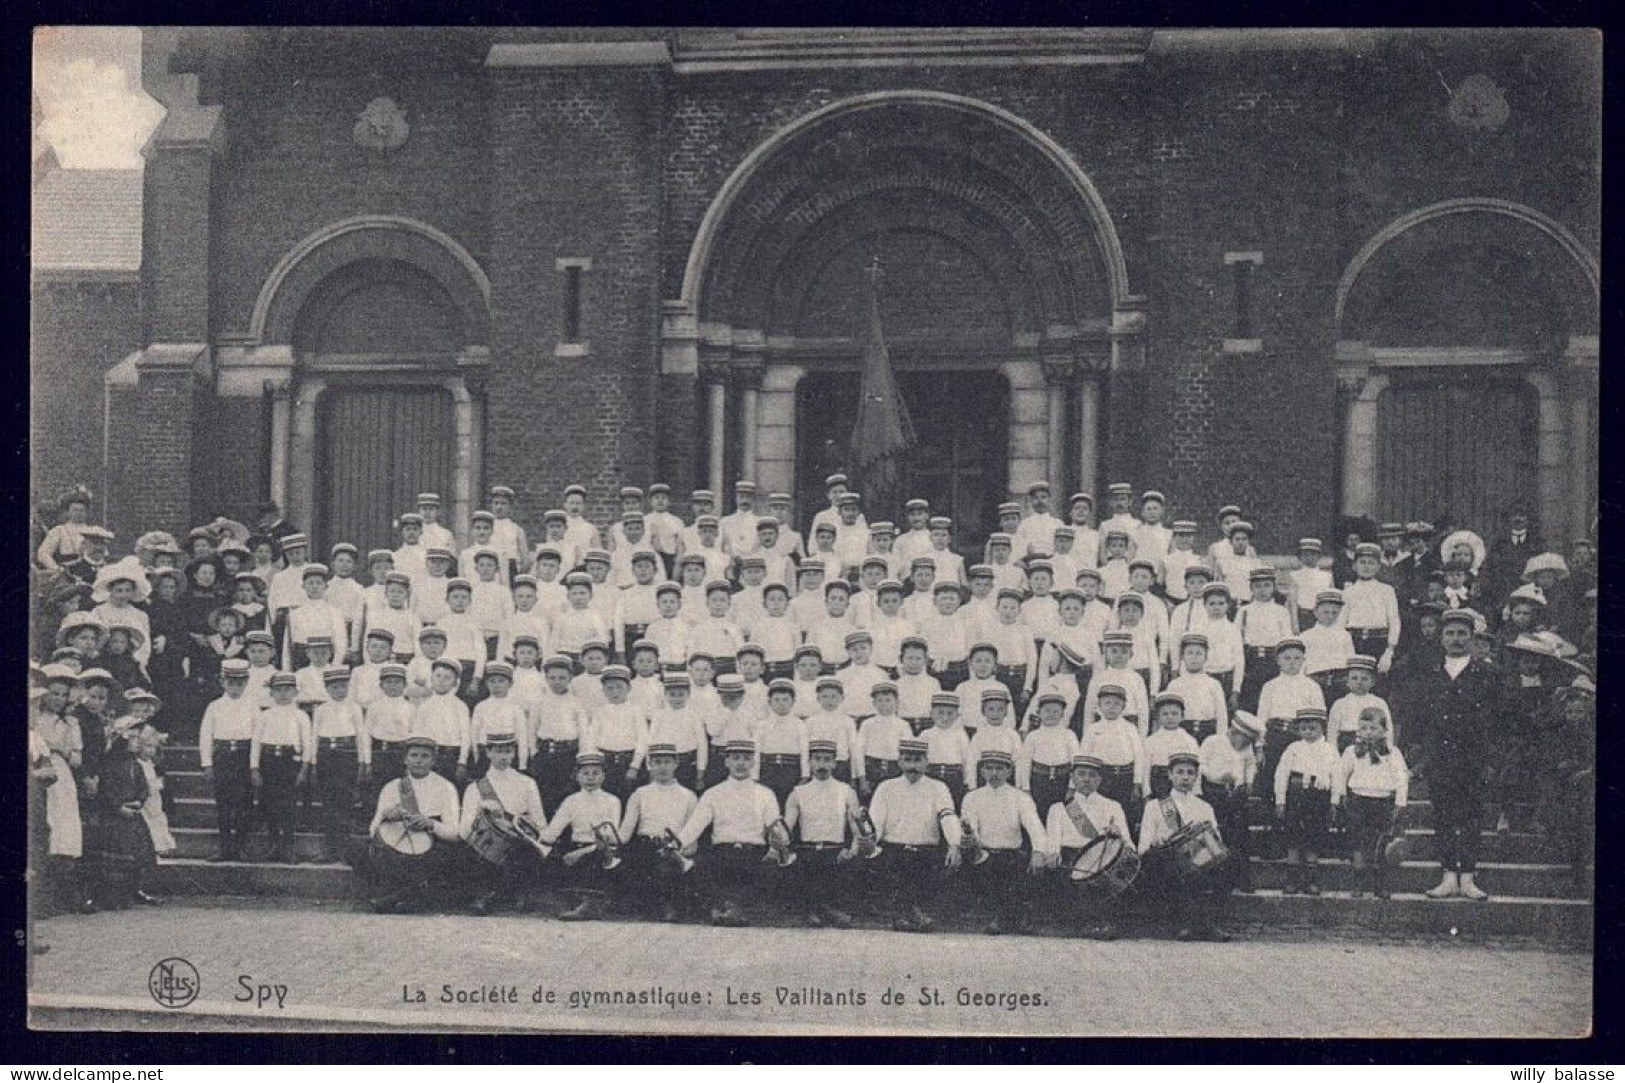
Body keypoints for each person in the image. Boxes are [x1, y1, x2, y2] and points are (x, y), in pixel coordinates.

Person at [1416, 609, 1502, 900]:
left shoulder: (1488, 674)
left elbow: (1498, 720)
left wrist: (1491, 759)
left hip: (1473, 759)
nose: (1456, 639)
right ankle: (1448, 875)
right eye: (1450, 633)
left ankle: (1468, 877)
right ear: (1441, 638)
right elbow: (1420, 718)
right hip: (1439, 758)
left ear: (1472, 637)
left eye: (1462, 633)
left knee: (1471, 817)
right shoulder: (1429, 672)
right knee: (1443, 816)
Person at [673, 738, 783, 926]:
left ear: (753, 762)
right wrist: (676, 844)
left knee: (769, 871)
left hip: (753, 853)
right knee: (695, 868)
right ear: (727, 762)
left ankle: (729, 910)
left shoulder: (765, 794)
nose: (741, 763)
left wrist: (777, 845)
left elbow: (775, 827)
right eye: (736, 758)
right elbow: (695, 825)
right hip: (722, 853)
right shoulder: (713, 793)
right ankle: (727, 909)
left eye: (746, 758)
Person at [362, 735, 467, 913]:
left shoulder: (445, 787)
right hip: (398, 845)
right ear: (405, 759)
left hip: (431, 845)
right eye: (414, 755)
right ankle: (411, 898)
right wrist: (387, 816)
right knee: (358, 850)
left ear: (433, 761)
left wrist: (431, 824)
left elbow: (455, 832)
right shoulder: (392, 786)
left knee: (448, 856)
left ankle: (396, 898)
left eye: (425, 756)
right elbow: (373, 830)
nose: (419, 761)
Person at [1136, 750, 1232, 941]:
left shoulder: (1204, 807)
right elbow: (1142, 847)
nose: (1185, 777)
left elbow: (1216, 842)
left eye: (1190, 773)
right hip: (1165, 861)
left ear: (1196, 777)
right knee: (1177, 867)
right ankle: (1193, 924)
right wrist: (1157, 841)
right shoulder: (1155, 806)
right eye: (1179, 772)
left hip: (1200, 860)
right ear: (1170, 775)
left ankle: (1202, 922)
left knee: (1229, 863)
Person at [868, 737, 962, 932]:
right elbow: (875, 821)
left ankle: (905, 915)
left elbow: (947, 815)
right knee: (893, 866)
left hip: (926, 852)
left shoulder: (938, 787)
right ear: (900, 762)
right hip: (894, 850)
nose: (913, 766)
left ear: (927, 763)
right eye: (908, 760)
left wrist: (954, 844)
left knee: (926, 871)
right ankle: (914, 915)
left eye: (918, 760)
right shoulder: (886, 787)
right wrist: (869, 841)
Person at [960, 749, 1051, 935]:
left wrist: (1038, 852)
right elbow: (972, 831)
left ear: (1009, 772)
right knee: (987, 868)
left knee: (1012, 869)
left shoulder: (1020, 798)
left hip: (1011, 855)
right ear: (982, 771)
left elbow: (1036, 829)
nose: (994, 774)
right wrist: (971, 841)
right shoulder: (972, 798)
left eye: (1000, 769)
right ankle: (1012, 916)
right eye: (989, 768)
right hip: (983, 855)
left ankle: (1003, 918)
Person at [1045, 754, 1133, 939]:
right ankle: (1090, 924)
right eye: (1081, 774)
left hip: (1103, 860)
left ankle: (1101, 924)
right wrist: (1052, 854)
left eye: (1092, 775)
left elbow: (1130, 845)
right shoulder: (1058, 808)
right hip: (1070, 860)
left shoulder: (1112, 806)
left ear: (1100, 780)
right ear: (1073, 778)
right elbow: (1052, 842)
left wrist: (1118, 834)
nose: (1086, 779)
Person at [616, 742, 701, 921]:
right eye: (658, 762)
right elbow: (624, 834)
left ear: (676, 763)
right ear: (649, 765)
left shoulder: (689, 796)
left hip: (674, 847)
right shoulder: (639, 794)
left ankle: (667, 907)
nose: (663, 767)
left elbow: (692, 841)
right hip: (645, 846)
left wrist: (680, 851)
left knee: (668, 869)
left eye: (667, 762)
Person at [784, 739, 864, 927]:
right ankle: (821, 911)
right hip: (808, 851)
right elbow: (787, 827)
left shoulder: (846, 791)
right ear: (809, 762)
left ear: (835, 763)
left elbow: (856, 828)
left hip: (835, 852)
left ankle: (821, 910)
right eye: (817, 759)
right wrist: (781, 848)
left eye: (827, 760)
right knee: (801, 867)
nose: (822, 765)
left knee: (847, 866)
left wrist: (852, 851)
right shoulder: (798, 792)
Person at [536, 751, 623, 921]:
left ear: (604, 776)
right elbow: (552, 833)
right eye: (585, 773)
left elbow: (609, 836)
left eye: (596, 773)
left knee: (595, 861)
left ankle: (589, 905)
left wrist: (580, 853)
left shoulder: (612, 801)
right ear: (577, 776)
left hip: (599, 849)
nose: (590, 778)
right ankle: (582, 903)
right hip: (575, 847)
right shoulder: (571, 801)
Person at [1333, 706, 1409, 898]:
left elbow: (1401, 778)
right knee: (1358, 841)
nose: (1368, 733)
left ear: (1384, 731)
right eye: (1364, 728)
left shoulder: (1393, 753)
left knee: (1381, 842)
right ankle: (1358, 882)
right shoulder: (1352, 751)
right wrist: (1338, 796)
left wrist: (1400, 802)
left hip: (1383, 802)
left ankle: (1380, 884)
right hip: (1358, 800)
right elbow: (1341, 775)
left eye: (1373, 728)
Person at [198, 658, 258, 861]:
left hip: (244, 755)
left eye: (240, 683)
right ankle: (224, 848)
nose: (235, 687)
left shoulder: (252, 706)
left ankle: (241, 847)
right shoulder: (214, 706)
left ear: (246, 682)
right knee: (224, 804)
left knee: (244, 803)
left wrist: (254, 765)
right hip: (222, 757)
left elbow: (257, 737)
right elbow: (206, 736)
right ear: (223, 682)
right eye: (231, 683)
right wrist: (207, 763)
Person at [1274, 707, 1337, 894]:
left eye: (1313, 728)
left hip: (1318, 798)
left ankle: (1311, 880)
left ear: (1322, 729)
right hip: (1296, 796)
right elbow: (1281, 774)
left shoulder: (1329, 750)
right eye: (1304, 728)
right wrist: (1280, 800)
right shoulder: (1293, 749)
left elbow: (1337, 775)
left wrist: (1334, 801)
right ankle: (1292, 879)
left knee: (1313, 837)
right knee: (1293, 837)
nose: (1308, 732)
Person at [253, 672, 313, 864]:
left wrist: (304, 768)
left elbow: (308, 743)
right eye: (278, 690)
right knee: (270, 805)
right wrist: (254, 768)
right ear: (271, 693)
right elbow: (256, 743)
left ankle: (288, 847)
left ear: (295, 692)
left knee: (289, 806)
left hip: (291, 762)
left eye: (287, 690)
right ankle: (273, 845)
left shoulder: (301, 715)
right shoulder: (264, 716)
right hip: (269, 761)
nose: (283, 694)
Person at [1200, 710, 1258, 892]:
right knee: (1218, 836)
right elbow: (1200, 764)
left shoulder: (1246, 748)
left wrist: (1249, 781)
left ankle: (1242, 878)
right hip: (1215, 792)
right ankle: (1218, 880)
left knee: (1239, 837)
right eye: (1244, 739)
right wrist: (1217, 776)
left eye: (1249, 741)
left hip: (1237, 795)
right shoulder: (1213, 742)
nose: (1246, 745)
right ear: (1234, 731)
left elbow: (1251, 764)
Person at [311, 665, 364, 863]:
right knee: (329, 804)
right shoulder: (321, 709)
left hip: (347, 756)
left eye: (342, 686)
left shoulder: (354, 708)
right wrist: (313, 762)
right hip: (326, 756)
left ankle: (345, 850)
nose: (338, 691)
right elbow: (314, 736)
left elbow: (361, 736)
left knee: (345, 803)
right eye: (334, 687)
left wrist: (363, 761)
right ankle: (330, 849)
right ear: (326, 688)